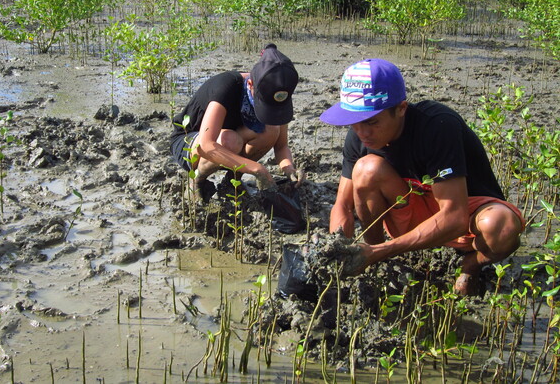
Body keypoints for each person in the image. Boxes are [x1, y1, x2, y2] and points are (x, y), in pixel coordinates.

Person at [319, 58, 524, 295]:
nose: (362, 132)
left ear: (401, 109)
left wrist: (382, 251)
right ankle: (377, 261)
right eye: (354, 122)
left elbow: (455, 217)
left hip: (463, 213)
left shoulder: (437, 126)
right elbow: (342, 206)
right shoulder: (359, 136)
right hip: (411, 206)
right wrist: (337, 249)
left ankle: (470, 265)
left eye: (372, 121)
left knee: (503, 227)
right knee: (366, 170)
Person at [171, 44, 304, 200]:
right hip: (191, 142)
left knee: (271, 129)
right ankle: (197, 181)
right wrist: (257, 169)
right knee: (230, 140)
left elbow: (281, 146)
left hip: (232, 139)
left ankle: (231, 182)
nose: (270, 109)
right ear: (250, 84)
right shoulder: (226, 87)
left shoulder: (279, 96)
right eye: (264, 103)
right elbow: (207, 145)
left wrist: (289, 169)